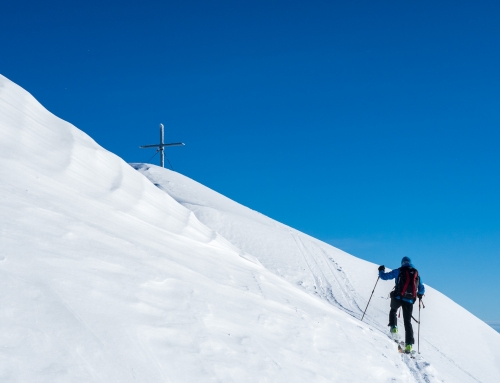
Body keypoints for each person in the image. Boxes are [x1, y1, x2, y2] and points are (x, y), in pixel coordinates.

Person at [378, 256, 425, 354]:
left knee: (393, 311)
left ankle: (394, 329)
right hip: (409, 301)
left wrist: (381, 270)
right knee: (407, 322)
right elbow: (421, 288)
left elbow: (384, 277)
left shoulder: (399, 271)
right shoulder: (416, 274)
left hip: (398, 297)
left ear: (402, 263)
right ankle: (409, 345)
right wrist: (420, 294)